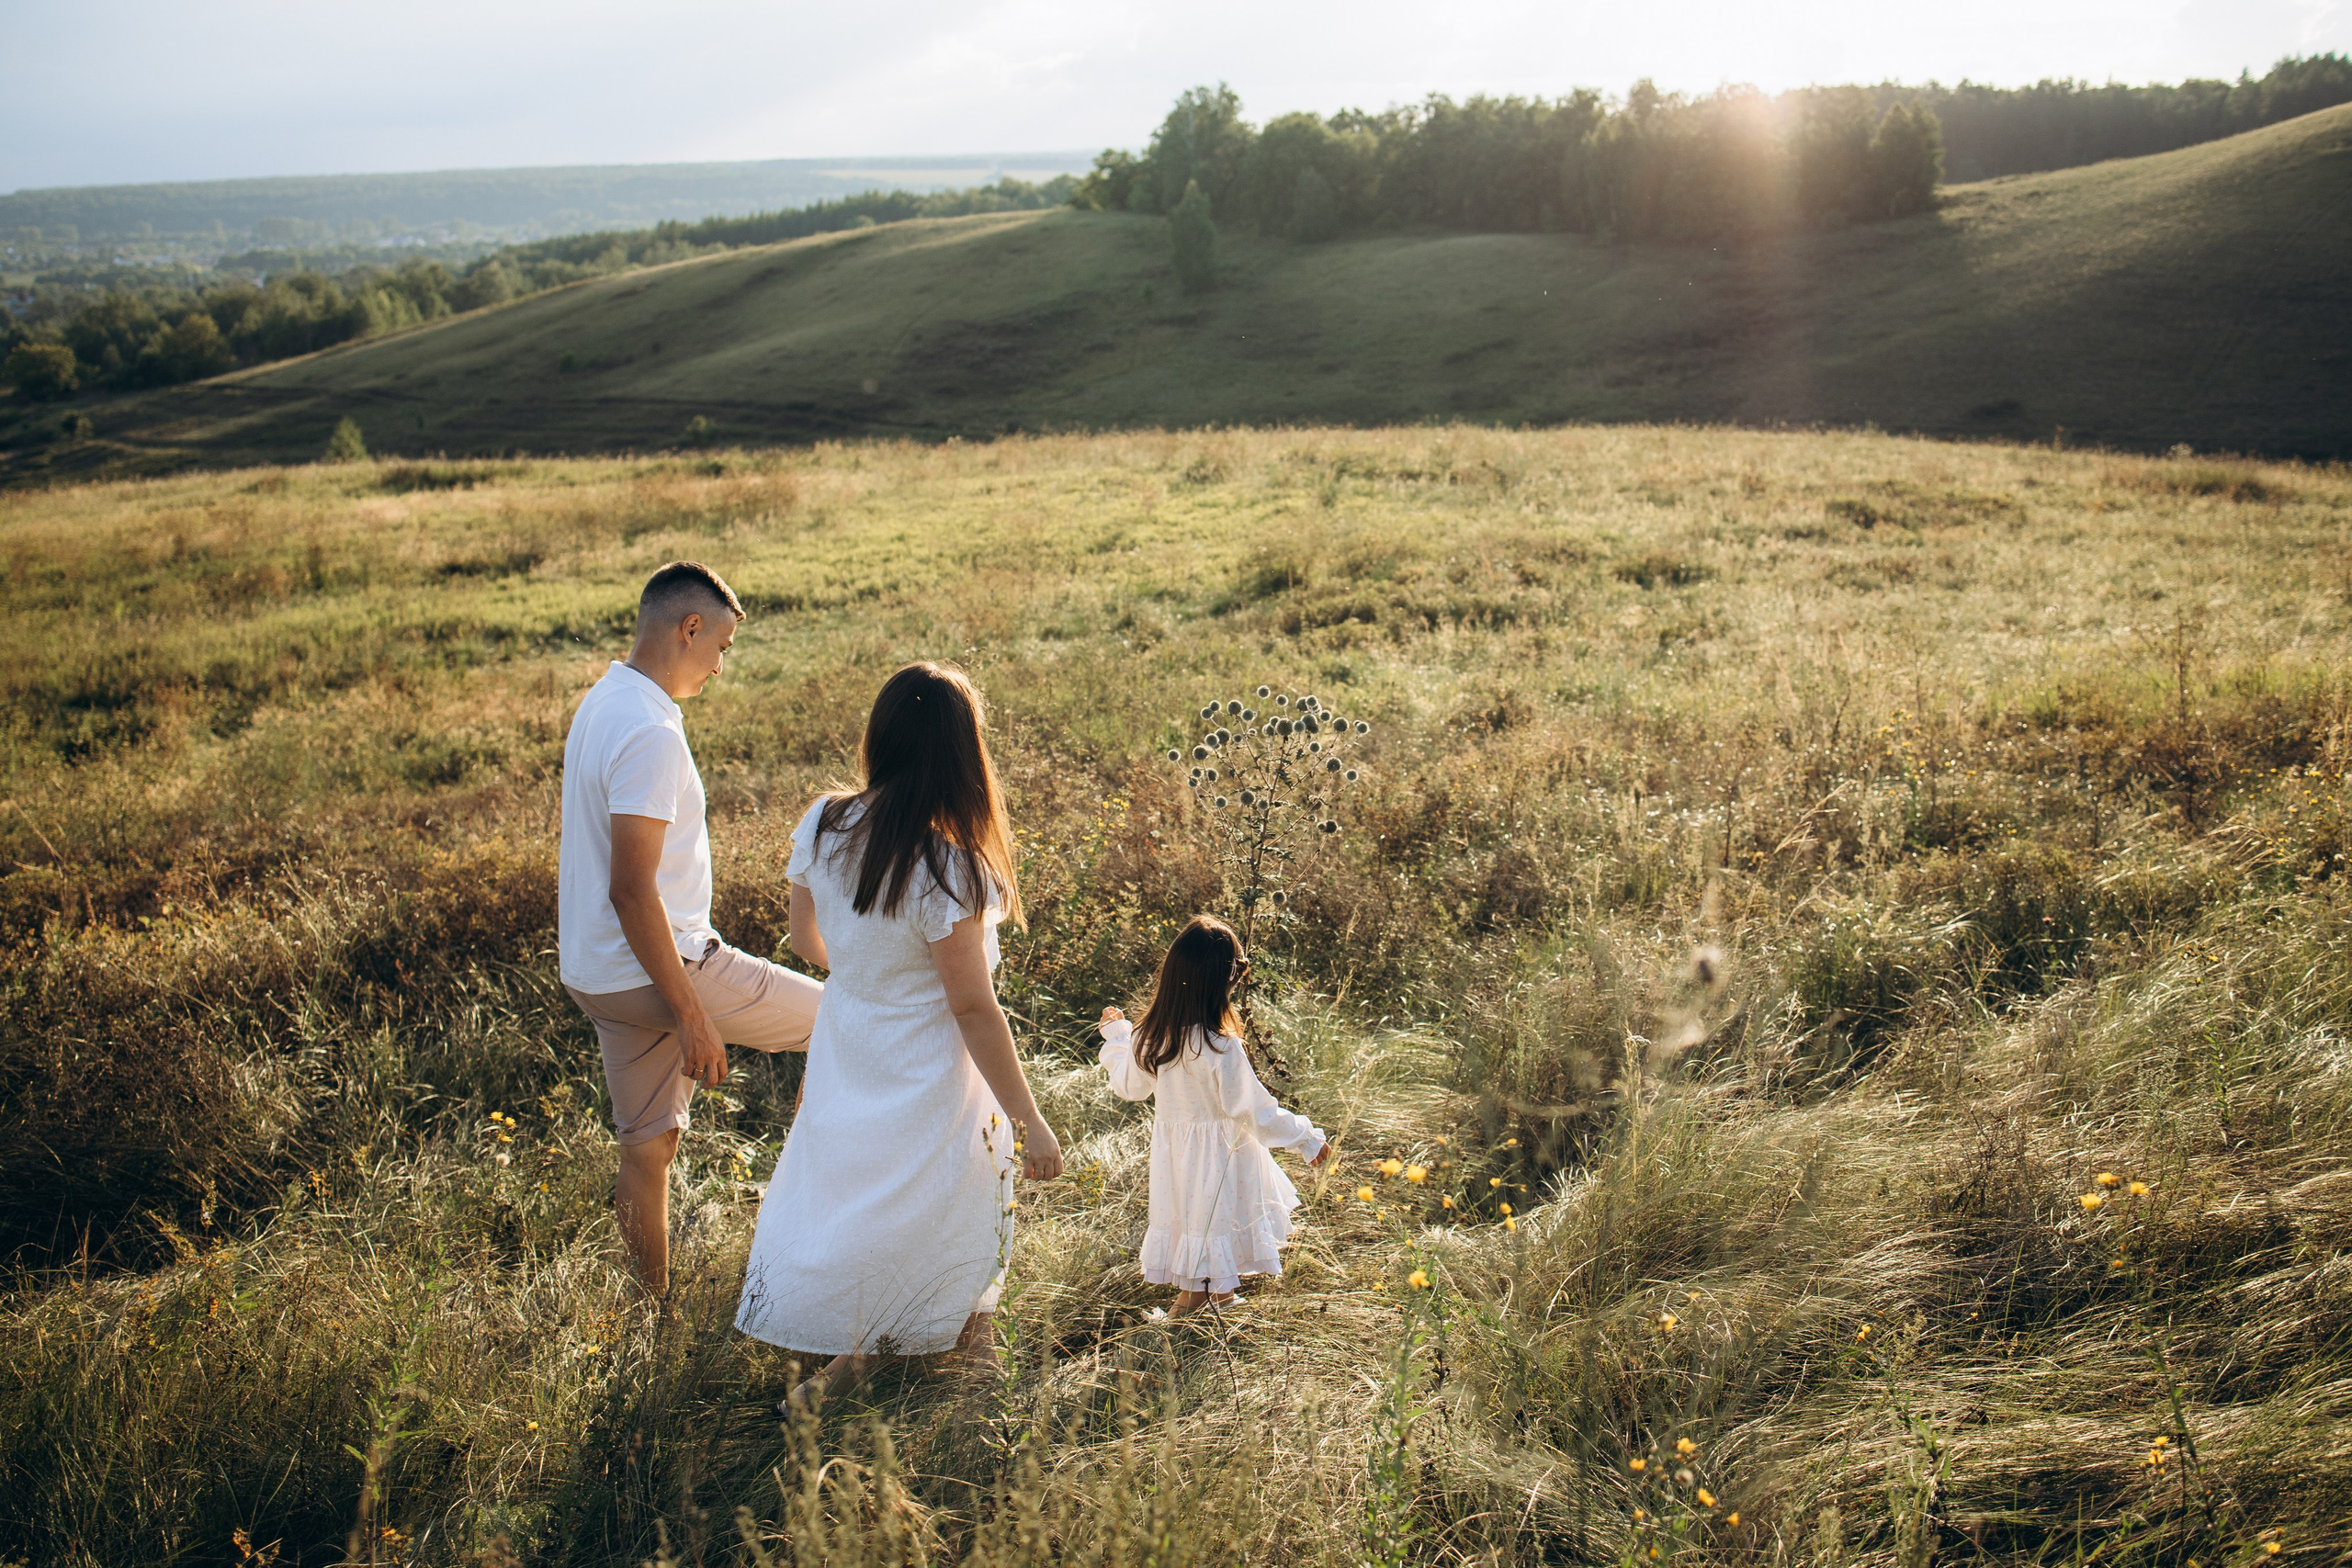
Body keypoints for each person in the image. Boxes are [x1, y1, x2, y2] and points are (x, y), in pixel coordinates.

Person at [735, 661, 1063, 1409]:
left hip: (850, 1043)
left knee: (867, 1198)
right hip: (928, 1065)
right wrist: (1030, 1118)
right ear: (961, 755)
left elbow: (803, 935)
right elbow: (974, 1008)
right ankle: (955, 1379)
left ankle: (926, 1364)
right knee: (958, 1206)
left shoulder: (824, 822)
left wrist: (867, 973)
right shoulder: (949, 868)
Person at [559, 561, 823, 1295]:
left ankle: (651, 1316)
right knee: (841, 1022)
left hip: (597, 976)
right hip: (662, 967)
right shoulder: (649, 731)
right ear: (690, 627)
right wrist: (691, 1014)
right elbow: (631, 889)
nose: (720, 664)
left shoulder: (602, 702)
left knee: (649, 1147)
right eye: (723, 646)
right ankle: (805, 1223)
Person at [1096, 916, 1329, 1317]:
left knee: (1196, 1225)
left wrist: (1119, 1039)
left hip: (1176, 1160)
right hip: (1221, 1159)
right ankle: (1183, 1316)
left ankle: (1219, 1299)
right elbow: (1259, 1113)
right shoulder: (1221, 1049)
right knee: (1208, 1231)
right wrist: (1306, 1138)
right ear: (1223, 983)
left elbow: (1129, 1087)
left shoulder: (1152, 1038)